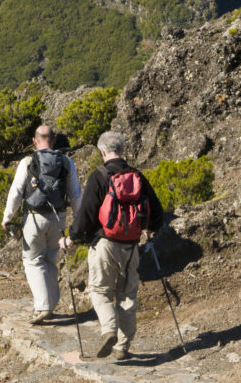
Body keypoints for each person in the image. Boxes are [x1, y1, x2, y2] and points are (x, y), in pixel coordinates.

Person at [60, 131, 164, 360]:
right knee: (127, 294)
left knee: (99, 290)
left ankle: (108, 330)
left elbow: (86, 214)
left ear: (102, 152)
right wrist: (150, 227)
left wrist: (72, 238)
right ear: (123, 150)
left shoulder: (99, 176)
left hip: (104, 243)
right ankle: (122, 347)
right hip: (131, 246)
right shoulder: (137, 175)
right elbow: (156, 212)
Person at [1, 125, 82, 324]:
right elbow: (76, 194)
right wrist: (79, 221)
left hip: (34, 217)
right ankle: (51, 304)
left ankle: (43, 306)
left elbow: (16, 192)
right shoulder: (66, 162)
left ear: (35, 141)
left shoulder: (28, 162)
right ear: (53, 141)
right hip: (59, 216)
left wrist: (7, 217)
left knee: (32, 260)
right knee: (51, 258)